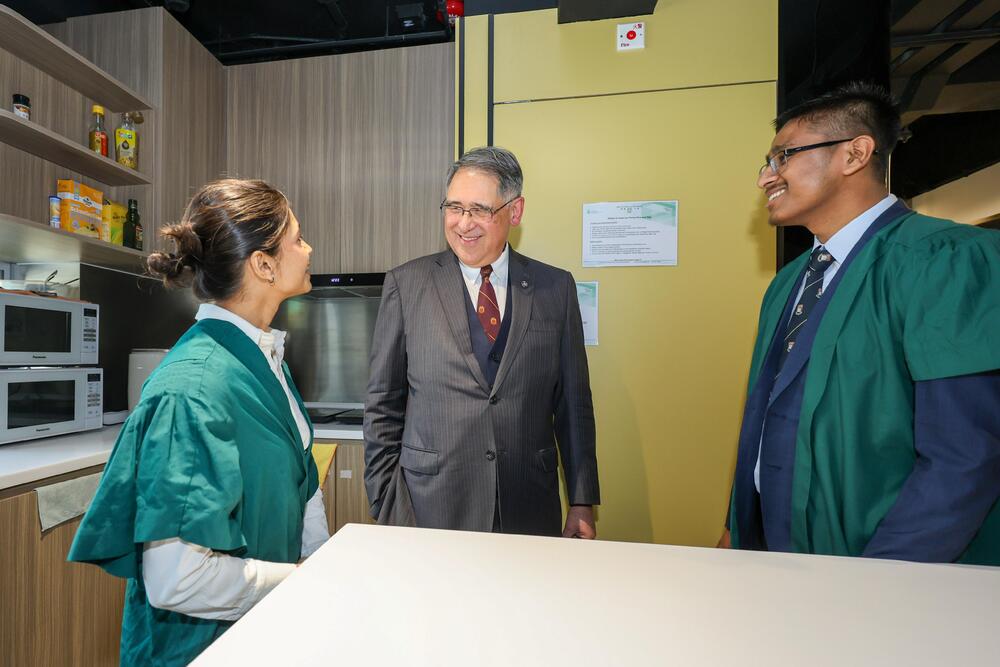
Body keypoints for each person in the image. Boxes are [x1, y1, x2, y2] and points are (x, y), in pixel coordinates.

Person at [720, 82, 1000, 564]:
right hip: (777, 559)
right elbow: (766, 419)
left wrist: (880, 579)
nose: (766, 178)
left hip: (887, 573)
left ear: (855, 154)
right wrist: (738, 527)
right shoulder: (789, 284)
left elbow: (963, 456)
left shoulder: (945, 261)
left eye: (782, 157)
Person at [69, 179, 330, 665]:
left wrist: (321, 568)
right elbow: (179, 579)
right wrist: (305, 581)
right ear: (263, 264)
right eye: (297, 237)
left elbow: (301, 481)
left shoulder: (264, 358)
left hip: (267, 630)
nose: (308, 248)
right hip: (199, 649)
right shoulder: (192, 391)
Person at [363, 146, 600, 537]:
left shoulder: (555, 288)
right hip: (429, 508)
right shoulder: (407, 285)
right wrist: (386, 500)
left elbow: (573, 405)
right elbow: (383, 405)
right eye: (454, 207)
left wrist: (581, 500)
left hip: (528, 505)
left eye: (480, 210)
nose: (463, 223)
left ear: (515, 210)